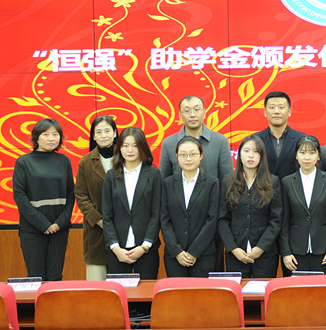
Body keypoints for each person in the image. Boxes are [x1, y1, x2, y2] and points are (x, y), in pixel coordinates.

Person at [12, 118, 74, 281]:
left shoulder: (64, 161)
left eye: (55, 134)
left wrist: (60, 223)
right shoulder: (24, 162)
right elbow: (19, 196)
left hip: (59, 229)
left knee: (55, 277)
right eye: (46, 134)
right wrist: (43, 224)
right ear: (36, 137)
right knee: (35, 277)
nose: (51, 138)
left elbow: (70, 193)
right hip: (33, 229)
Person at [102, 127, 162, 279]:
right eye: (125, 145)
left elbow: (157, 213)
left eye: (135, 145)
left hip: (146, 250)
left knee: (146, 292)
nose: (130, 150)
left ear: (143, 147)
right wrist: (116, 248)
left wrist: (145, 246)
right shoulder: (111, 176)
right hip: (118, 251)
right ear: (119, 148)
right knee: (120, 293)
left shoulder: (154, 174)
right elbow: (107, 216)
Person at [219, 135, 282, 278]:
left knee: (263, 290)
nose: (250, 155)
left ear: (262, 155)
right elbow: (222, 219)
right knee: (238, 291)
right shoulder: (228, 181)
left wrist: (260, 248)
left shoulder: (273, 182)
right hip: (236, 253)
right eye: (246, 151)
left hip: (265, 254)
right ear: (239, 155)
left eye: (255, 151)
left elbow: (276, 219)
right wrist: (234, 249)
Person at [280, 135, 326, 275]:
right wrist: (286, 252)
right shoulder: (287, 182)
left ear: (318, 156)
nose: (307, 157)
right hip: (295, 253)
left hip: (323, 252)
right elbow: (283, 221)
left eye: (312, 153)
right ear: (296, 155)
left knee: (321, 288)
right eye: (302, 152)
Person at [160, 136, 220, 277]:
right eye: (183, 155)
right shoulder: (168, 184)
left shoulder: (212, 183)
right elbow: (164, 220)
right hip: (175, 256)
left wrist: (194, 252)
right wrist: (177, 251)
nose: (188, 159)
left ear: (201, 155)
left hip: (203, 255)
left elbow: (212, 220)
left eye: (193, 154)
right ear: (177, 156)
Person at [75, 115, 118, 280]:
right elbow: (81, 196)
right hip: (96, 231)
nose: (103, 135)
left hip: (122, 229)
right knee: (97, 284)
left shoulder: (126, 158)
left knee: (123, 283)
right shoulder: (85, 162)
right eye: (98, 132)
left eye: (107, 131)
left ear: (115, 133)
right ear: (93, 136)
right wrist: (99, 220)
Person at [159, 95, 233, 181]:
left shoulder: (220, 141)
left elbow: (227, 180)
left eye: (197, 110)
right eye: (187, 111)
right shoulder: (168, 143)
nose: (192, 115)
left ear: (204, 113)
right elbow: (164, 180)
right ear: (180, 115)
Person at [254, 91, 305, 179]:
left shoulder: (301, 139)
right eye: (272, 107)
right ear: (265, 112)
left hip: (292, 187)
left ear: (289, 112)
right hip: (264, 187)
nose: (276, 111)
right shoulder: (255, 140)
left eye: (281, 107)